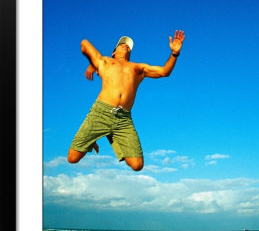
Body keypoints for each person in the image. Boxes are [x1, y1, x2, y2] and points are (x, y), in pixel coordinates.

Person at [67, 30, 185, 171]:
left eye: (128, 46)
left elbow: (165, 71)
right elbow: (84, 43)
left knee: (137, 165)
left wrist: (174, 54)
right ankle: (94, 139)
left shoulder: (138, 68)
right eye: (121, 44)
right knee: (72, 158)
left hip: (123, 119)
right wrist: (92, 63)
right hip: (100, 114)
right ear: (113, 52)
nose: (125, 46)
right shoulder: (104, 61)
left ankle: (110, 135)